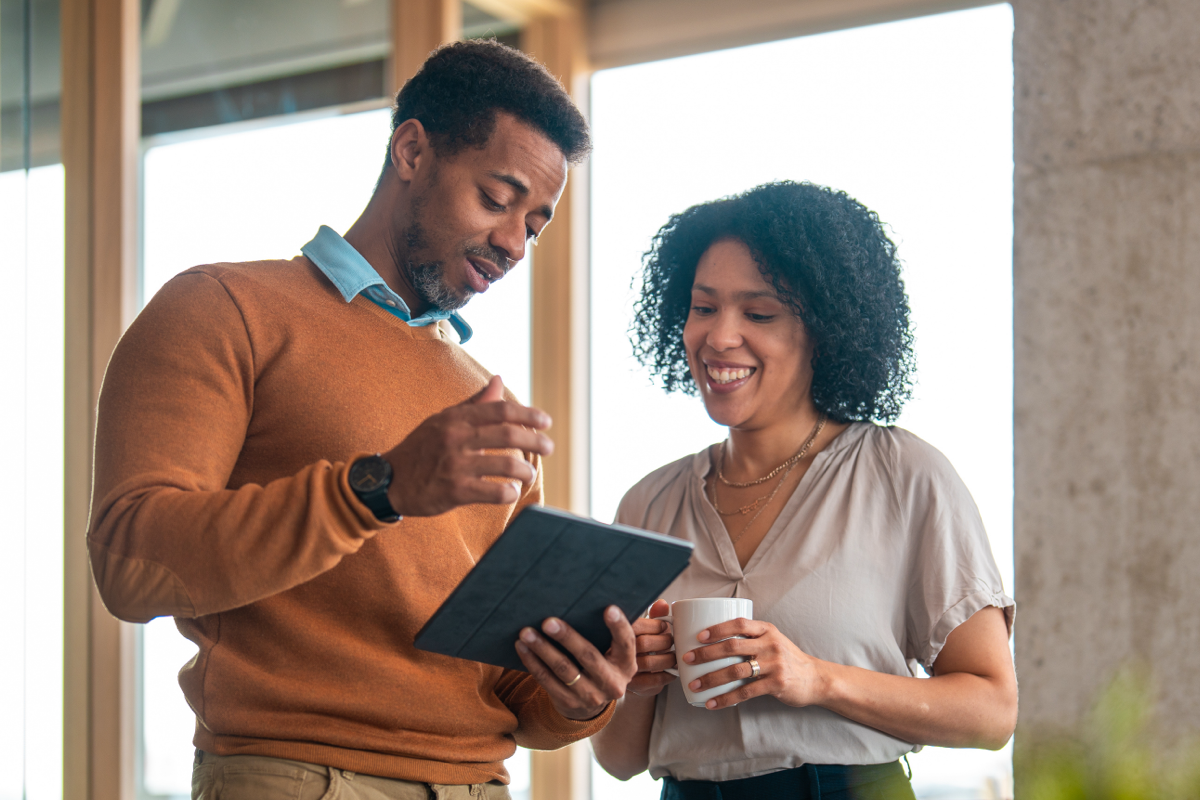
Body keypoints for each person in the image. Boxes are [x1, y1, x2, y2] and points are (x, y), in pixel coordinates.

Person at [88, 40, 637, 800]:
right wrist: (377, 489)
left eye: (535, 225)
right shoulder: (222, 309)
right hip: (300, 776)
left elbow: (506, 694)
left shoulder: (486, 405)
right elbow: (129, 564)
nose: (515, 244)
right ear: (412, 150)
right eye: (497, 198)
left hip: (481, 784)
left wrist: (582, 692)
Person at [591, 182, 1018, 799]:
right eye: (703, 307)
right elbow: (619, 760)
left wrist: (817, 678)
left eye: (758, 314)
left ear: (825, 329)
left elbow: (992, 712)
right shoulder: (647, 504)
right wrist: (639, 683)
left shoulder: (904, 475)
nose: (718, 337)